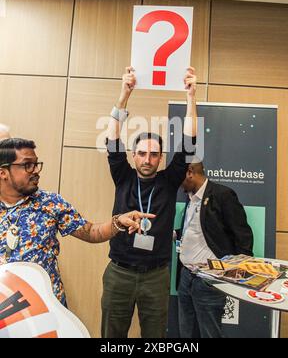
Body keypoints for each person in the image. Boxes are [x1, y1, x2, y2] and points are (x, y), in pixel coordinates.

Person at [102, 66, 197, 338]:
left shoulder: (169, 180)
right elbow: (112, 140)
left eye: (154, 155)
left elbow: (189, 144)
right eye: (142, 153)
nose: (147, 159)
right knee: (112, 336)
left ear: (161, 157)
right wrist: (123, 96)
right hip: (119, 271)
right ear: (133, 156)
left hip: (156, 276)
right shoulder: (123, 177)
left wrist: (191, 97)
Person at [0, 138, 153, 306]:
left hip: (47, 307)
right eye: (27, 165)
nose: (36, 171)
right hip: (5, 311)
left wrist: (119, 222)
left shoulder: (50, 202)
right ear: (3, 172)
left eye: (36, 164)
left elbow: (91, 231)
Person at [176, 160, 254, 338]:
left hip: (209, 281)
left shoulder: (223, 195)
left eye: (178, 175)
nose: (176, 182)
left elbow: (243, 236)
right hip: (186, 277)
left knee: (210, 334)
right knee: (186, 333)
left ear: (189, 172)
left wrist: (238, 272)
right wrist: (175, 233)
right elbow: (198, 230)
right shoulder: (191, 197)